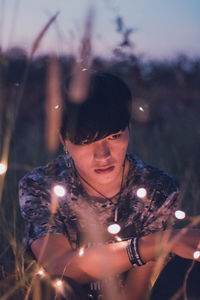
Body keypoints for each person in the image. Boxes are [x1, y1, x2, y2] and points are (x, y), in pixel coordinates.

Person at [19, 71, 200, 300]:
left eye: (114, 136)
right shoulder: (42, 186)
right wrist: (162, 242)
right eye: (86, 141)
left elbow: (135, 293)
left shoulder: (156, 189)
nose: (103, 155)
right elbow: (61, 268)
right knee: (52, 285)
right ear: (64, 140)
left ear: (129, 129)